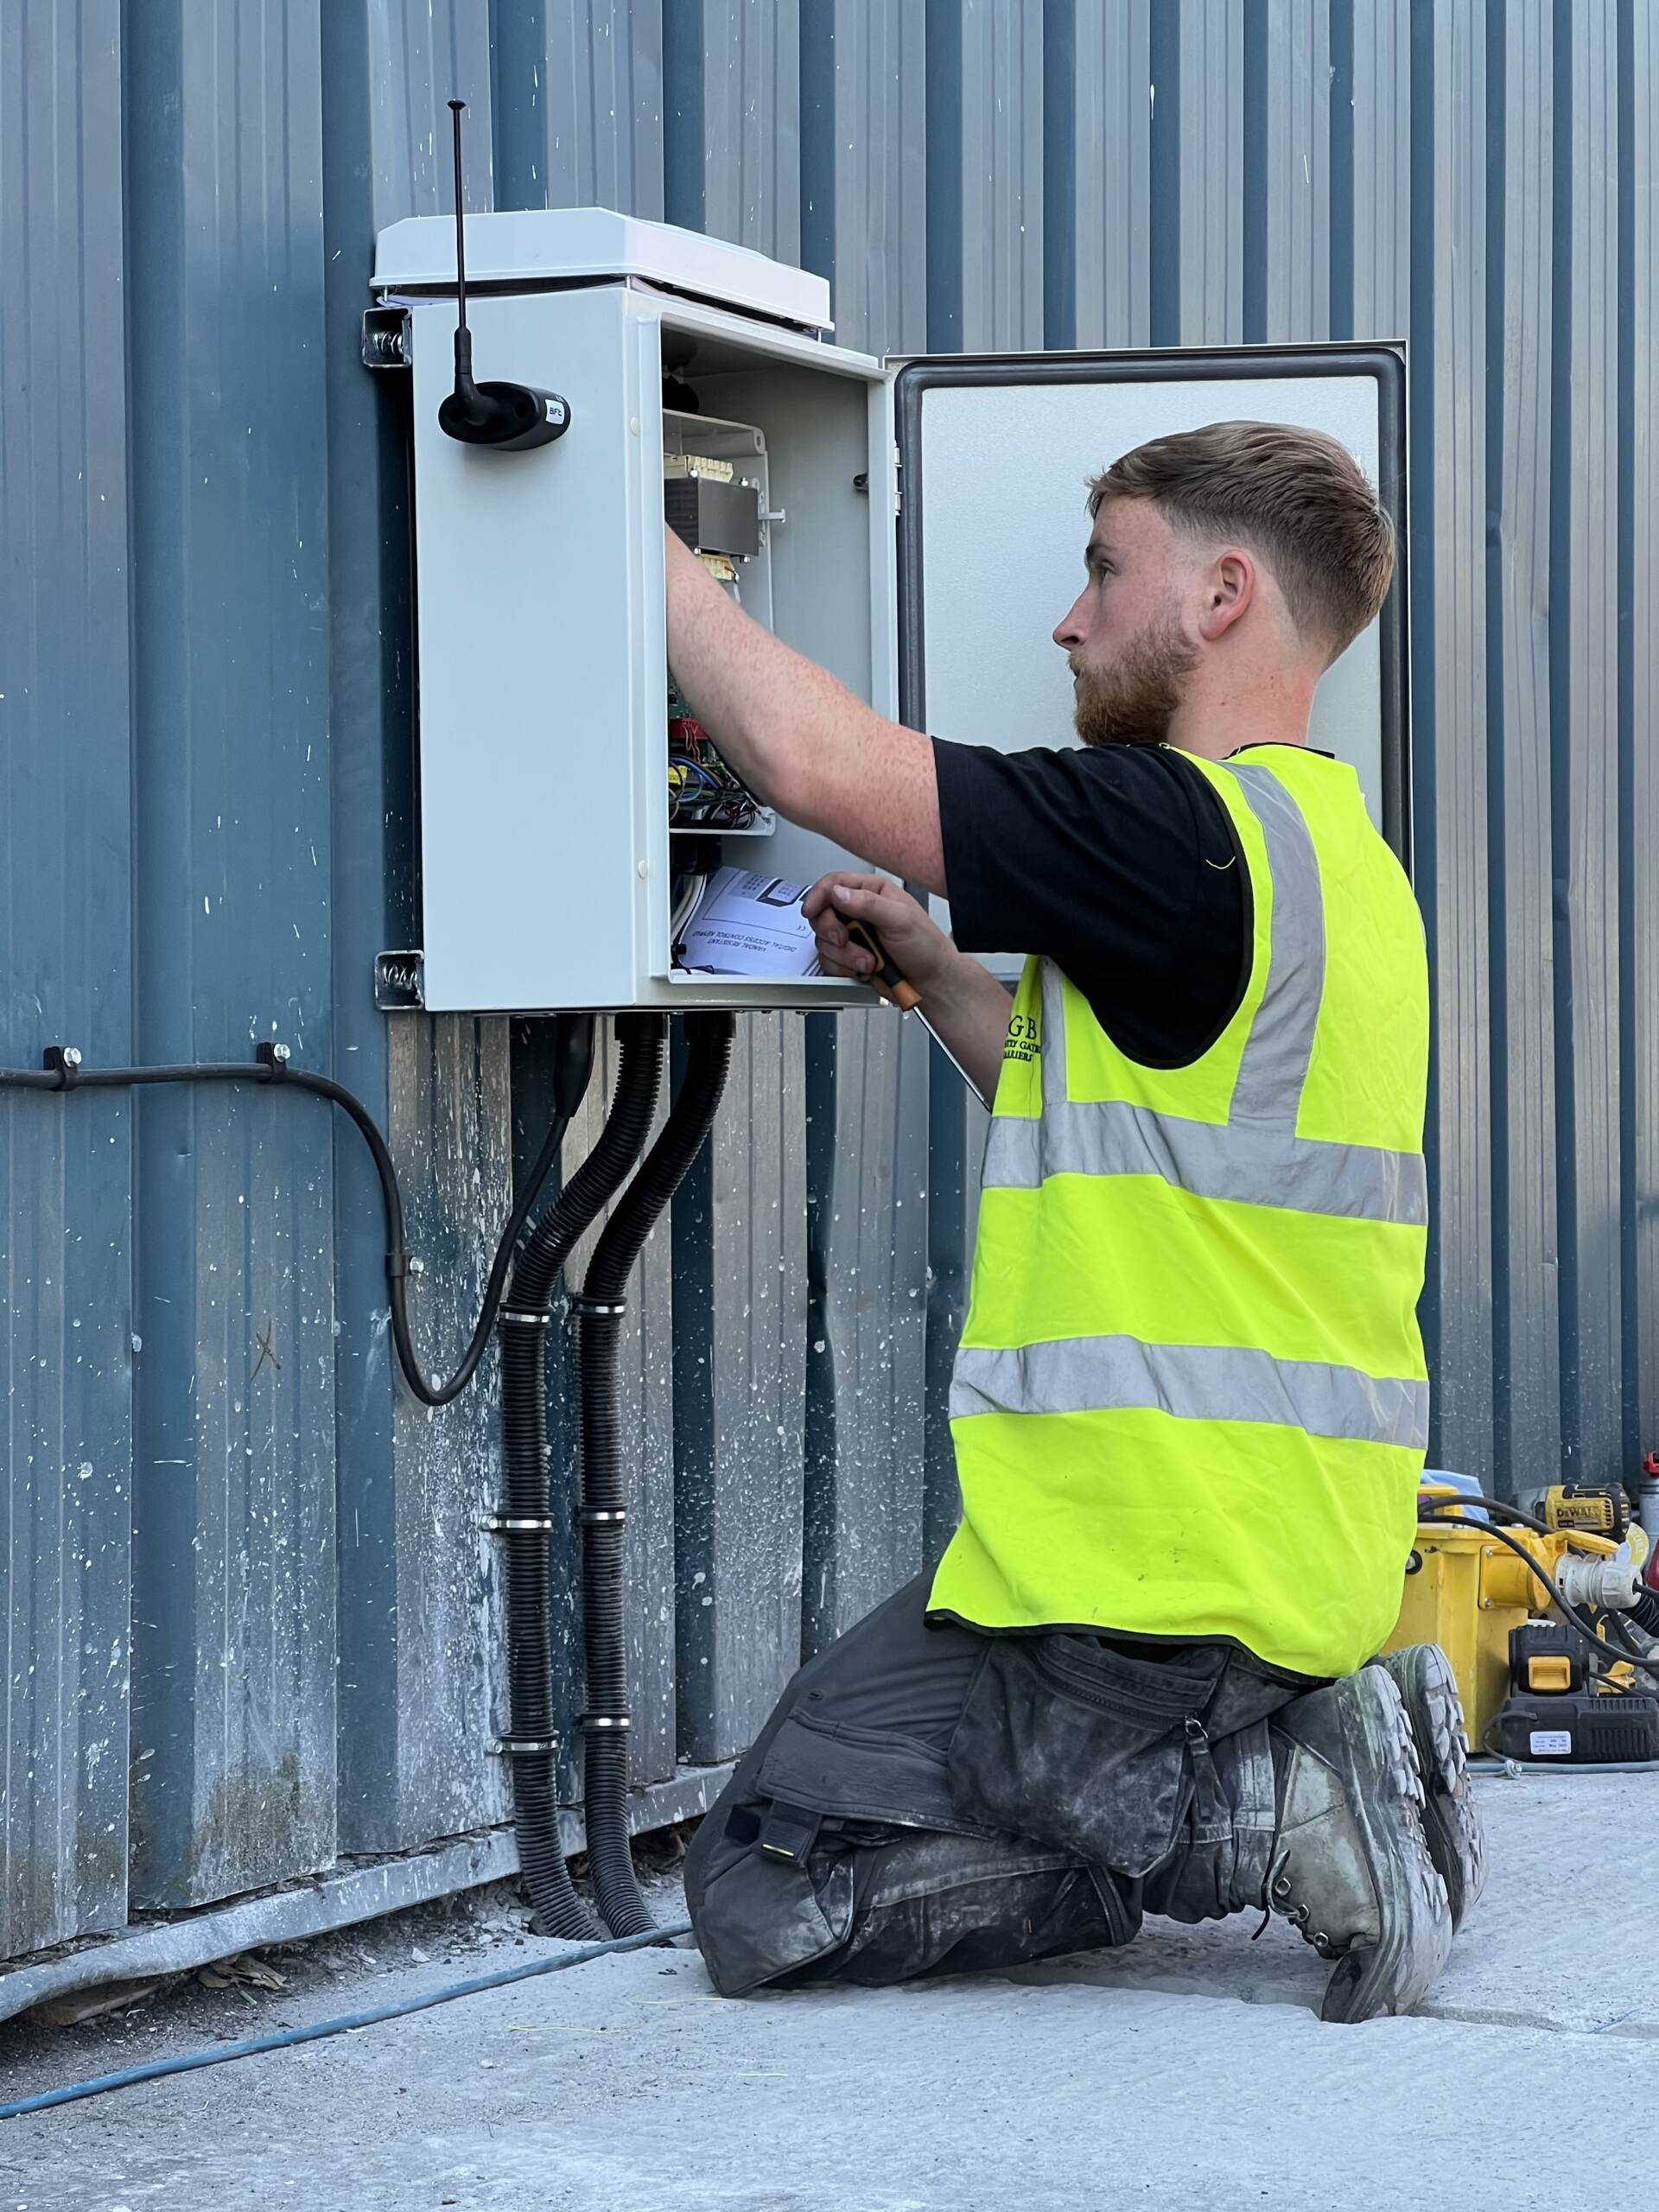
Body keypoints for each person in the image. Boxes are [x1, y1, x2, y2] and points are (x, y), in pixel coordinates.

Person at [661, 420, 1483, 2024]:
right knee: (798, 1817)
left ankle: (1271, 1818)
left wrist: (637, 522)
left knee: (765, 1890)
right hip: (1272, 1557)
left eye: (1108, 568)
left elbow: (819, 767)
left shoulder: (1173, 834)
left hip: (1152, 1582)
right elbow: (1141, 1129)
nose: (1069, 616)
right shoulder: (1333, 858)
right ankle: (1322, 1750)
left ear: (1224, 592)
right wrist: (942, 978)